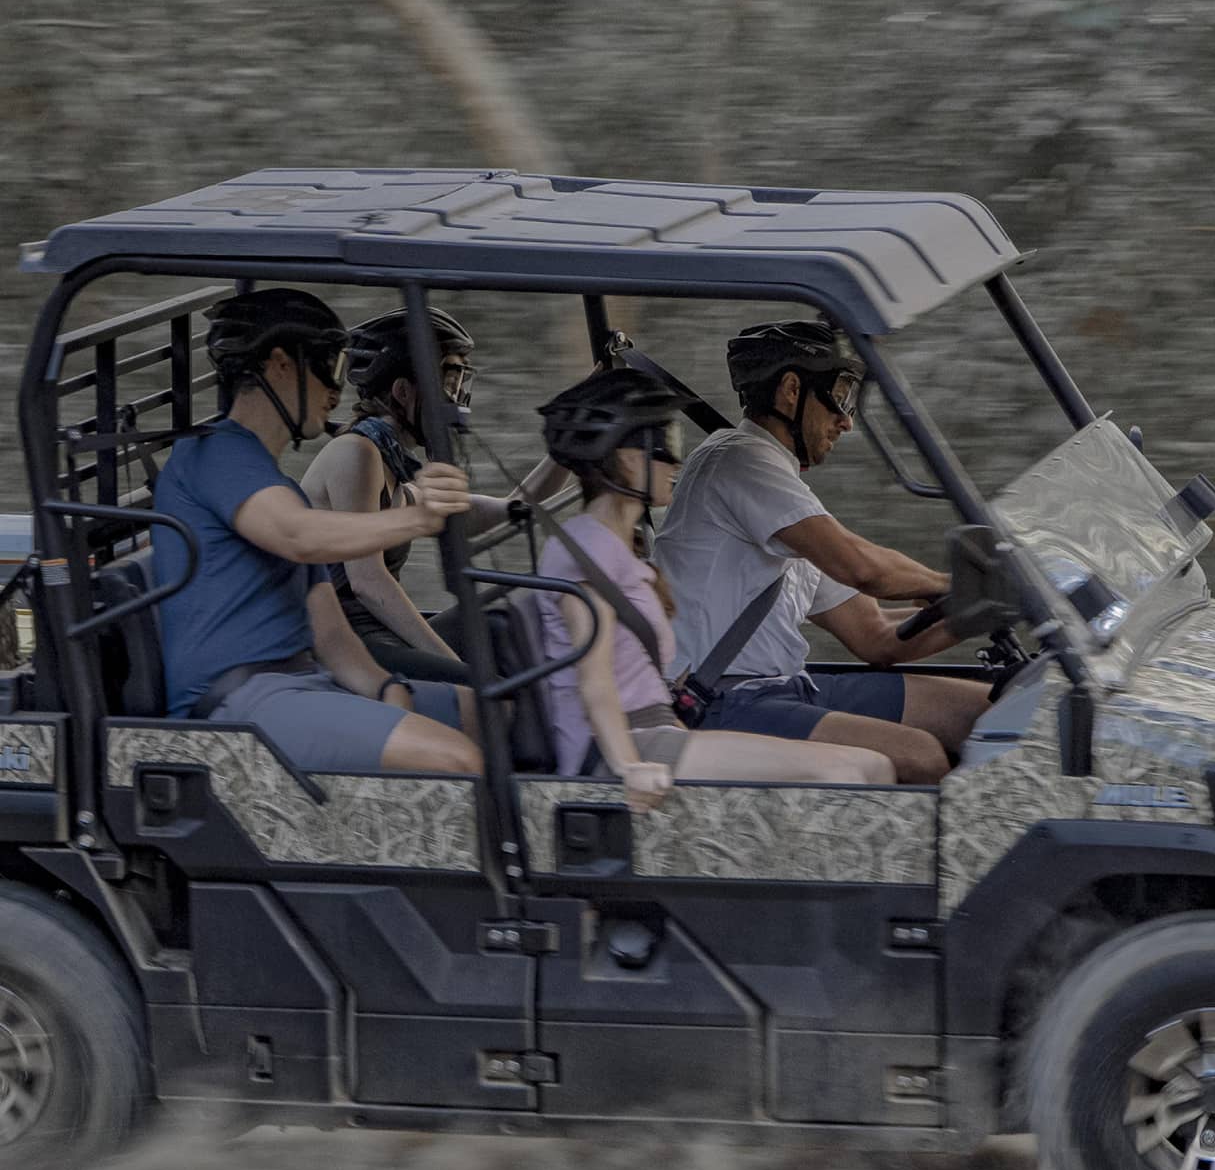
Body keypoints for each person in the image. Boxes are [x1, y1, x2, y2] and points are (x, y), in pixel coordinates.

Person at [151, 288, 482, 776]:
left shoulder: (281, 487)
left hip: (307, 680)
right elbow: (297, 535)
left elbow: (331, 635)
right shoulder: (214, 455)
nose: (336, 390)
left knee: (493, 713)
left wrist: (388, 690)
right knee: (457, 758)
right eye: (327, 365)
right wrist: (417, 517)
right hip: (241, 703)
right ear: (280, 365)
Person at [534, 368, 894, 809]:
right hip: (622, 744)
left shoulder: (624, 549)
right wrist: (629, 767)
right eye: (664, 447)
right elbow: (594, 680)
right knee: (846, 773)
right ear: (627, 457)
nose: (676, 463)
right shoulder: (587, 548)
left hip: (657, 730)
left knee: (876, 767)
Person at [652, 320, 989, 783]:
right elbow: (863, 568)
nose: (847, 420)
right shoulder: (739, 461)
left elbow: (877, 638)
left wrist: (979, 611)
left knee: (983, 712)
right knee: (920, 754)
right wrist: (955, 582)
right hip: (725, 700)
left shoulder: (785, 498)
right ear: (792, 390)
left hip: (788, 689)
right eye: (841, 394)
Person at [300, 306, 565, 682]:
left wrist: (570, 449)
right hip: (346, 643)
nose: (456, 396)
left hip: (379, 633)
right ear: (403, 391)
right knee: (482, 685)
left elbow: (498, 509)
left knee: (504, 621)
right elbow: (367, 583)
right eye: (448, 379)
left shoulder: (388, 458)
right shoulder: (356, 454)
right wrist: (457, 667)